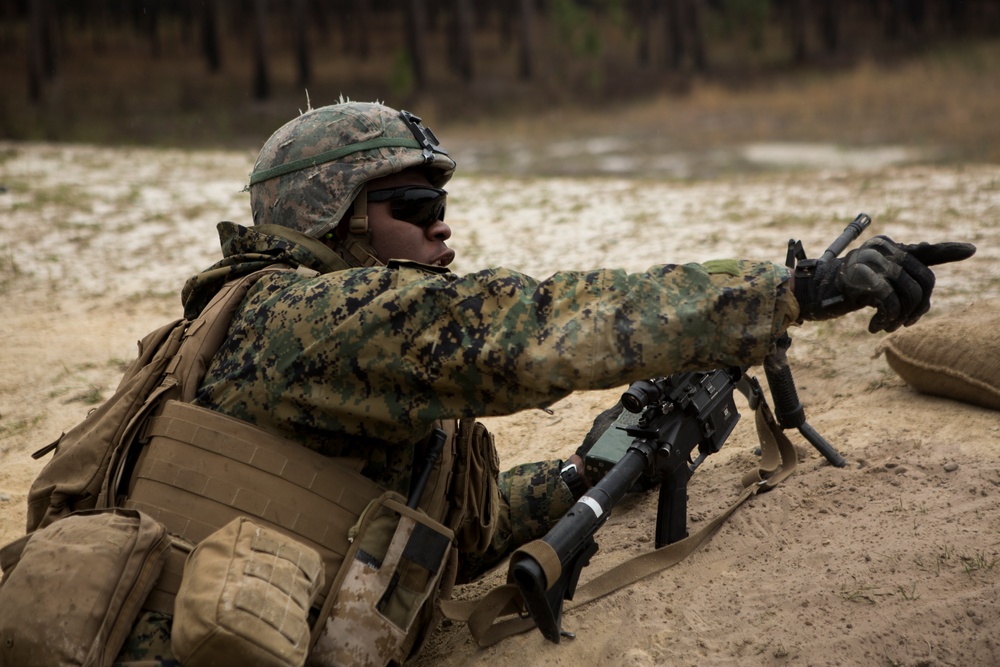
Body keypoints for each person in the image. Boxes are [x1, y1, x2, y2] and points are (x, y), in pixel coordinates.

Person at [11, 101, 976, 667]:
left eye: (443, 203)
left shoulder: (316, 357)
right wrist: (792, 291)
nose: (441, 226)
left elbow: (437, 533)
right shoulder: (304, 320)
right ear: (332, 219)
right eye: (415, 204)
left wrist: (578, 476)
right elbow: (526, 327)